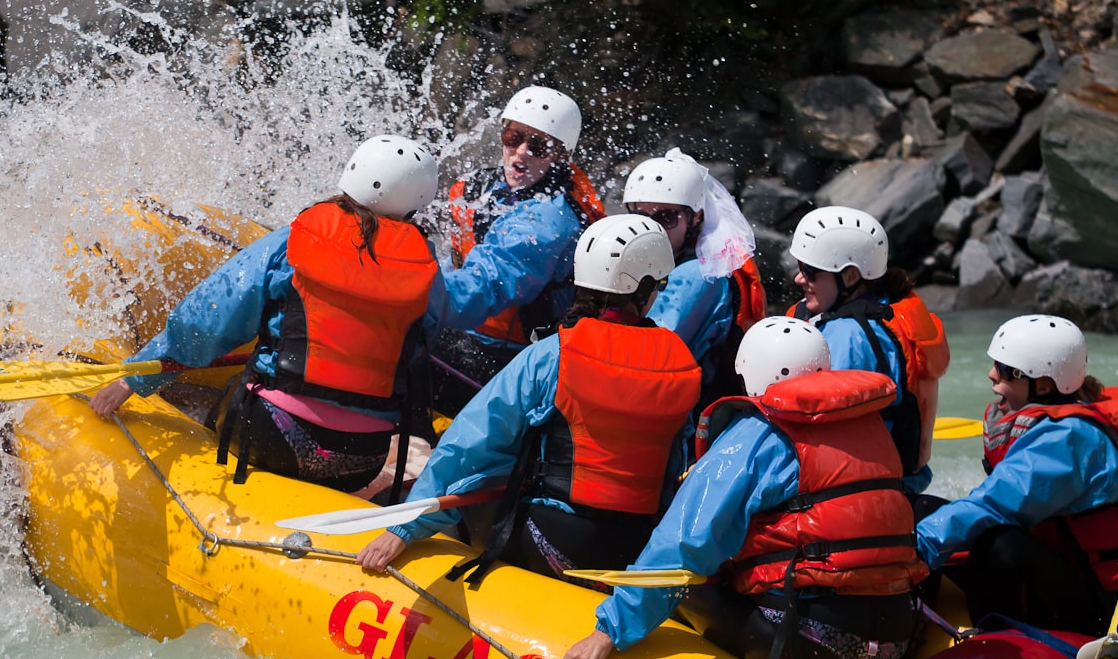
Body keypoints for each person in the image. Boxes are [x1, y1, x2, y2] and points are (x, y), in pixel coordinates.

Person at [557, 317, 927, 659]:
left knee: (687, 586)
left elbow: (682, 547)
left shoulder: (758, 435)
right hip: (895, 635)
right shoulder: (870, 429)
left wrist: (607, 633)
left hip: (816, 641)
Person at [357, 215, 702, 588]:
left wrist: (404, 527)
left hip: (555, 542)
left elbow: (471, 442)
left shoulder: (553, 355)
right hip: (633, 549)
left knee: (439, 490)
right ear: (646, 288)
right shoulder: (682, 367)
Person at [89, 134, 442, 495]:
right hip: (363, 458)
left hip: (273, 434)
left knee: (231, 393)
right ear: (414, 206)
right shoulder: (427, 270)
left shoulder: (290, 243)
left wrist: (134, 378)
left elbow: (206, 320)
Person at [915, 314, 1118, 635]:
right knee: (921, 507)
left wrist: (914, 545)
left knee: (999, 545)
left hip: (1096, 604)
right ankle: (909, 621)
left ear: (1045, 385)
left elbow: (994, 505)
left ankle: (996, 643)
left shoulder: (1069, 440)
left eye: (1007, 371)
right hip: (1059, 565)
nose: (992, 374)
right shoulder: (1060, 416)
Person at [430, 85, 605, 420]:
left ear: (560, 156)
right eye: (513, 138)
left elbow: (485, 287)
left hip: (510, 361)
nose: (521, 153)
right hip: (469, 336)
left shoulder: (550, 220)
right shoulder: (483, 189)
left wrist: (407, 291)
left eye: (538, 146)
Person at [787, 205, 949, 497]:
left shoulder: (849, 336)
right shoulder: (888, 306)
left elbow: (824, 428)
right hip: (901, 483)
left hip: (860, 492)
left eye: (810, 271)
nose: (800, 280)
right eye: (799, 267)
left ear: (850, 277)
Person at [623, 148, 767, 410]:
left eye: (666, 217)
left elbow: (650, 349)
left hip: (692, 416)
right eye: (640, 216)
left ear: (695, 217)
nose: (650, 228)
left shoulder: (703, 275)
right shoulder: (672, 259)